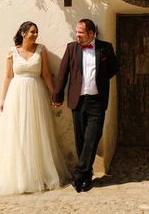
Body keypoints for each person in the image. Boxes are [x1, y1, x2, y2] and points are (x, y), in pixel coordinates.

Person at [0, 21, 68, 195]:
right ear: (23, 33)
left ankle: (38, 174)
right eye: (32, 32)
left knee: (36, 132)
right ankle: (19, 176)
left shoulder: (41, 50)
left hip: (36, 93)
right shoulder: (12, 52)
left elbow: (45, 74)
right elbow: (8, 76)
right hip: (17, 94)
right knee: (17, 132)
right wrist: (3, 99)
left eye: (36, 32)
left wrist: (54, 94)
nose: (35, 35)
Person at [52, 18, 118, 193]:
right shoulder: (71, 48)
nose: (77, 35)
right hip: (78, 100)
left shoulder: (105, 48)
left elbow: (113, 68)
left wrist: (99, 81)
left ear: (91, 33)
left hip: (97, 100)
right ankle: (86, 178)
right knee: (81, 140)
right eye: (77, 32)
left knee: (92, 138)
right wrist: (57, 96)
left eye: (81, 32)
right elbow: (63, 73)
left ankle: (79, 174)